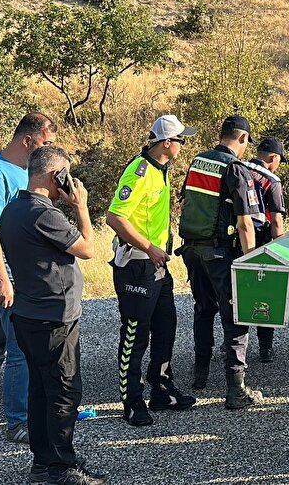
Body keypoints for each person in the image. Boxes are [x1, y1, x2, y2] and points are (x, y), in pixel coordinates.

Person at [0, 146, 106, 485]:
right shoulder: (44, 214)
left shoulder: (12, 210)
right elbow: (88, 248)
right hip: (53, 318)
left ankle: (43, 464)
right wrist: (82, 207)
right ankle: (60, 466)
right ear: (55, 176)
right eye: (66, 175)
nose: (70, 183)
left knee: (40, 392)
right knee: (63, 391)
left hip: (28, 315)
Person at [105, 115, 197, 427]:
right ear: (167, 142)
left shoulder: (162, 168)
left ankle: (161, 389)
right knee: (135, 335)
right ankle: (131, 402)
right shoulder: (140, 171)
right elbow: (115, 218)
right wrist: (148, 246)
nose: (183, 146)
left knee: (166, 325)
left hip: (157, 265)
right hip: (136, 266)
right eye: (181, 140)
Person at [0, 112, 57, 444]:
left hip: (27, 274)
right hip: (7, 276)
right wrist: (1, 278)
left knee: (35, 345)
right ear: (28, 140)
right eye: (46, 142)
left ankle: (35, 409)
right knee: (20, 348)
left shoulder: (25, 171)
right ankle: (18, 422)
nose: (49, 147)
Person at [177, 115, 265, 409]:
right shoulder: (236, 169)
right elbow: (245, 224)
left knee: (203, 309)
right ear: (242, 139)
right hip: (219, 253)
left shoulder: (197, 161)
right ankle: (236, 388)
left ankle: (199, 374)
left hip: (191, 250)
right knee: (235, 317)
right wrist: (251, 264)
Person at [243, 136, 288, 363]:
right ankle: (265, 349)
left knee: (235, 295)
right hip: (260, 243)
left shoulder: (237, 168)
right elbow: (277, 223)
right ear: (274, 158)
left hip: (234, 241)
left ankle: (231, 347)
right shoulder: (272, 180)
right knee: (264, 296)